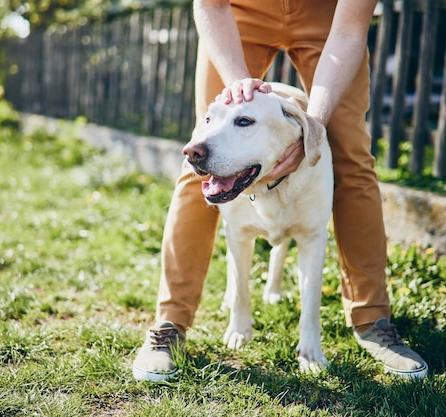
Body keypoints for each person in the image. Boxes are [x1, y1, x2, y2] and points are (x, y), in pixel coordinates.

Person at [132, 0, 428, 381]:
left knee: (352, 159)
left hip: (330, 16)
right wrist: (239, 86)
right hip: (236, 10)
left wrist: (312, 128)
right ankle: (170, 325)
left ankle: (374, 322)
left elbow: (350, 30)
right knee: (201, 162)